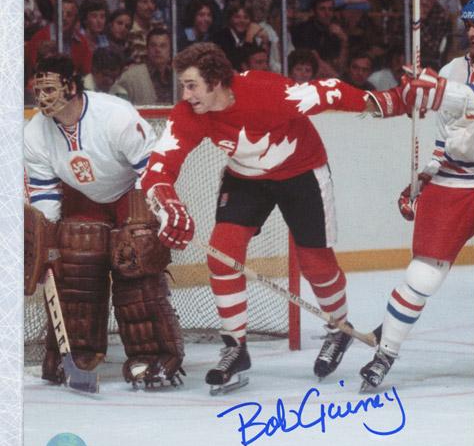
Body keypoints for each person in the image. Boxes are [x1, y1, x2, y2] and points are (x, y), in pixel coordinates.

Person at [139, 42, 439, 393]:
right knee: (222, 254)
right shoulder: (190, 113)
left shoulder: (267, 92)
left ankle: (338, 329)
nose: (185, 94)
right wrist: (166, 200)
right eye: (183, 85)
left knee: (316, 264)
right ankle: (235, 347)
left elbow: (331, 92)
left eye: (191, 85)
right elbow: (159, 165)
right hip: (247, 179)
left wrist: (394, 101)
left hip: (302, 173)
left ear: (216, 80)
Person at [24, 54, 185, 389]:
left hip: (131, 192)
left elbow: (149, 168)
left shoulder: (114, 115)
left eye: (50, 88)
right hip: (84, 197)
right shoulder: (35, 132)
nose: (42, 97)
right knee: (72, 258)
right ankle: (77, 351)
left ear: (71, 85)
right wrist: (47, 242)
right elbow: (45, 193)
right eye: (38, 89)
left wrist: (152, 214)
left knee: (135, 258)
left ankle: (153, 353)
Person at [360, 0, 474, 389]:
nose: (473, 31)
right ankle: (385, 352)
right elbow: (445, 140)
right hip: (456, 181)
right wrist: (423, 177)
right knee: (422, 276)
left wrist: (448, 93)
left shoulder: (453, 80)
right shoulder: (453, 68)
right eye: (469, 23)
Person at [116, 27, 172, 105]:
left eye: (163, 46)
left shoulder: (178, 78)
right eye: (153, 45)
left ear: (170, 50)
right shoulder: (130, 77)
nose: (157, 50)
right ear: (147, 49)